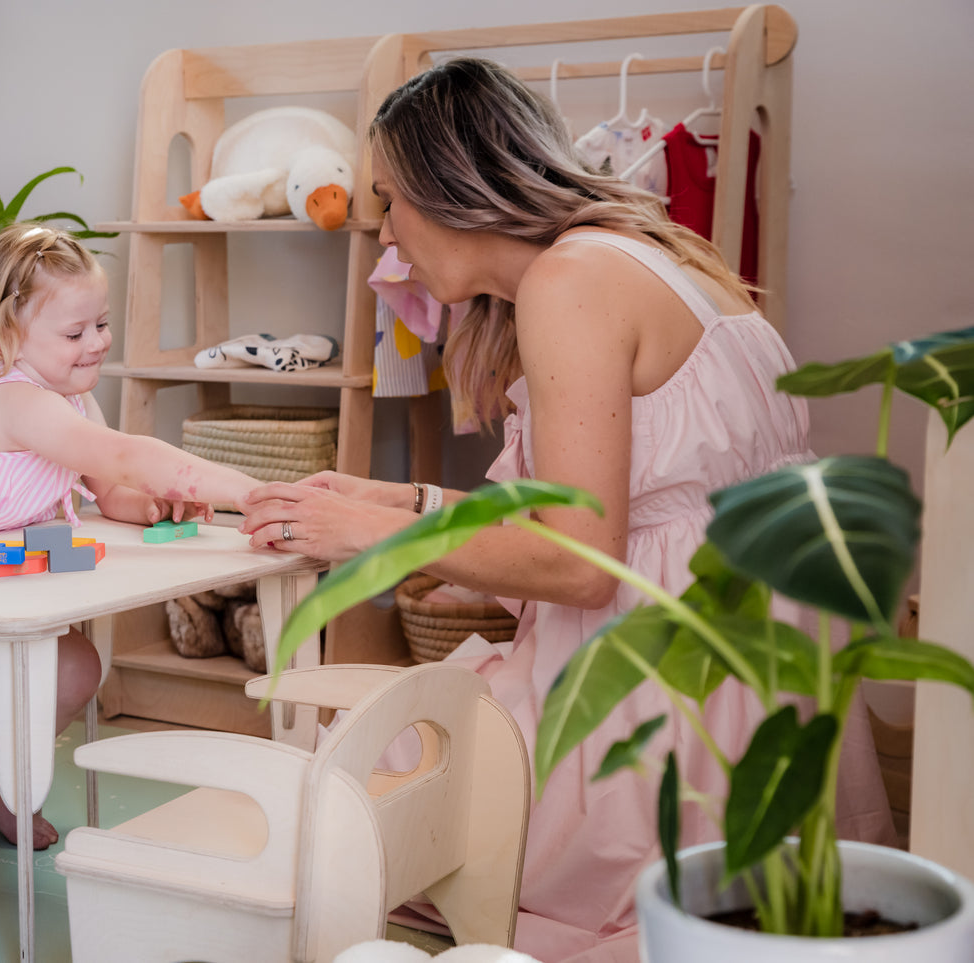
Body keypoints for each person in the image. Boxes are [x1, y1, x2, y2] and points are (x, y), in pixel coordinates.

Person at [238, 59, 894, 962]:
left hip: (668, 673)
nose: (386, 233)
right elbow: (638, 509)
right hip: (750, 656)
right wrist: (410, 499)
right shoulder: (640, 255)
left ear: (451, 185)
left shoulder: (569, 283)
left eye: (390, 201)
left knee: (365, 785)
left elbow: (585, 563)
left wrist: (377, 534)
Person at [0, 223, 263, 851]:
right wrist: (251, 494)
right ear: (3, 337)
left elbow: (111, 486)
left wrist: (153, 505)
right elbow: (122, 455)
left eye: (101, 323)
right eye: (74, 332)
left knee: (75, 667)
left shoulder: (69, 399)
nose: (96, 343)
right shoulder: (13, 401)